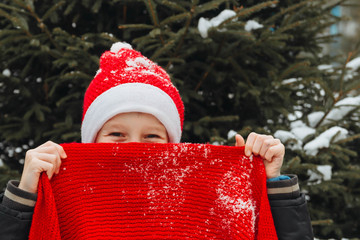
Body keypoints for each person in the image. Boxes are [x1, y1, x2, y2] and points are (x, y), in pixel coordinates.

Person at [0, 42, 313, 239]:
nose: (135, 147)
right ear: (92, 138)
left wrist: (271, 184)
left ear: (172, 143)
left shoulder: (208, 194)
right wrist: (25, 197)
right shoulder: (64, 190)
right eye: (116, 134)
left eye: (151, 136)